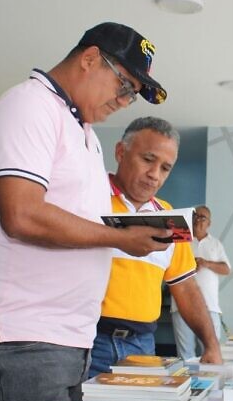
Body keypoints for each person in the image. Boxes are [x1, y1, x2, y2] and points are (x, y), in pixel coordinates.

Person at [0, 22, 174, 401]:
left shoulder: (82, 130)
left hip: (63, 335)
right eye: (124, 86)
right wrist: (121, 239)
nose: (125, 101)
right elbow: (21, 215)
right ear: (90, 59)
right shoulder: (30, 106)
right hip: (25, 332)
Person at [88, 117, 223, 377]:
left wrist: (211, 345)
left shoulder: (170, 217)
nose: (154, 175)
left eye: (165, 168)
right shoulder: (87, 199)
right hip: (86, 342)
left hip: (142, 347)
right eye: (147, 160)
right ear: (120, 152)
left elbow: (185, 286)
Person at [172, 205, 231, 360]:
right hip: (181, 306)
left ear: (209, 223)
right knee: (186, 355)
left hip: (210, 306)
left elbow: (226, 269)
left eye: (202, 217)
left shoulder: (215, 244)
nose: (198, 219)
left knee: (211, 352)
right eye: (195, 216)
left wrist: (206, 263)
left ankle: (211, 384)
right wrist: (189, 266)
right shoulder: (179, 239)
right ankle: (189, 384)